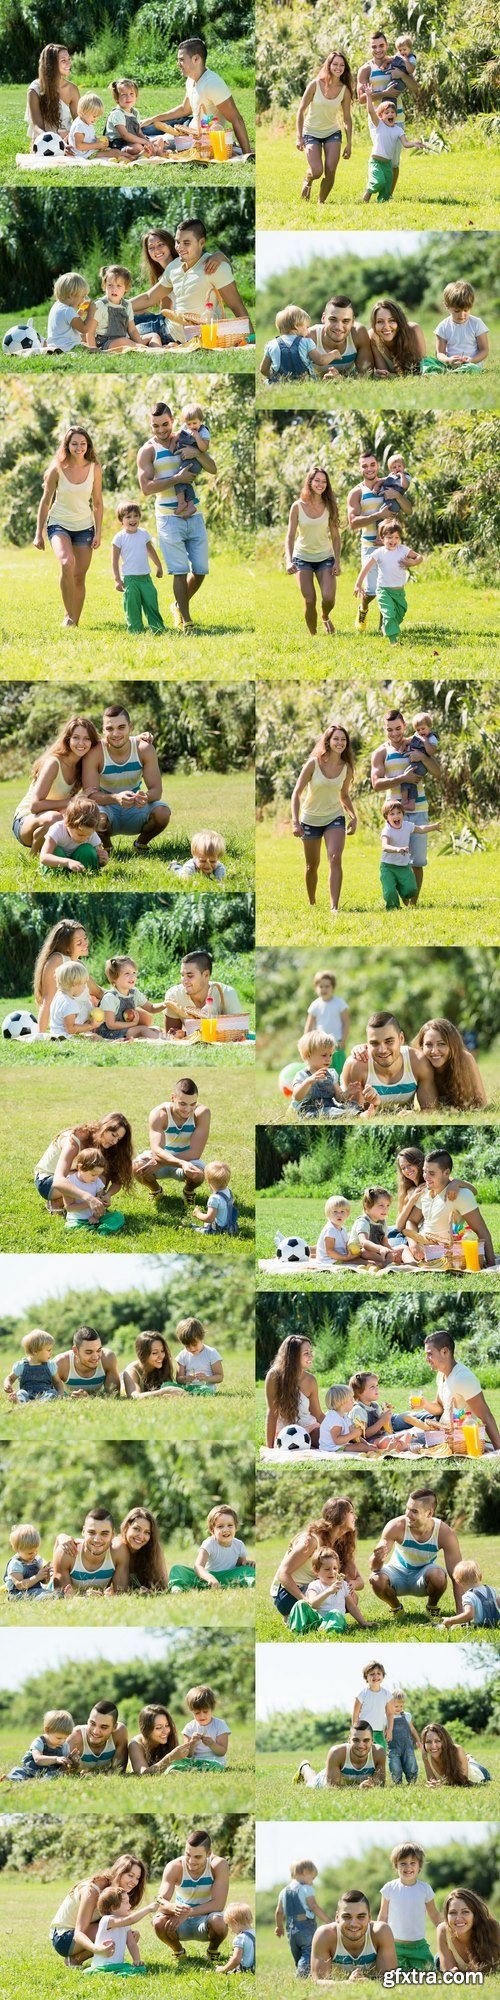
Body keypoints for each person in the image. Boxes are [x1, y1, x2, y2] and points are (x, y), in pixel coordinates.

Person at [137, 401, 216, 632]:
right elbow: (146, 488)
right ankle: (187, 620)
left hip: (194, 514)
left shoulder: (187, 437)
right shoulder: (148, 450)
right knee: (180, 571)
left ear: (172, 420)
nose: (161, 430)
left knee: (200, 570)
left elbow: (212, 468)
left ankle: (178, 606)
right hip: (168, 517)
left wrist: (195, 453)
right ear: (151, 426)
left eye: (164, 424)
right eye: (155, 426)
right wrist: (176, 479)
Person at [34, 426, 103, 629]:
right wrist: (39, 533)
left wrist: (98, 532)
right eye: (74, 443)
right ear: (67, 445)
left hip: (85, 526)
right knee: (66, 562)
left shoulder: (94, 468)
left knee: (79, 576)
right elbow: (45, 502)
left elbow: (98, 503)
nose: (79, 447)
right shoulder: (57, 469)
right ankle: (68, 616)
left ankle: (74, 620)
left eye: (83, 443)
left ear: (87, 445)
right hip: (59, 523)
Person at [371, 705, 440, 901]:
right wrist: (402, 778)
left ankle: (413, 904)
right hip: (394, 815)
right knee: (398, 861)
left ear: (404, 726)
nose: (394, 733)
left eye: (398, 728)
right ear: (385, 729)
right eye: (389, 729)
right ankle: (402, 898)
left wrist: (422, 758)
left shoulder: (418, 743)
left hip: (419, 808)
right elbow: (376, 784)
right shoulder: (380, 753)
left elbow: (437, 772)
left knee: (417, 861)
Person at [82, 702, 171, 851]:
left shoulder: (144, 748)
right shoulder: (94, 753)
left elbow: (157, 791)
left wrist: (145, 797)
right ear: (103, 730)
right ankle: (107, 848)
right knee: (93, 815)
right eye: (109, 729)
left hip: (136, 807)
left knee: (163, 812)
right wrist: (116, 798)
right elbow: (90, 795)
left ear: (131, 727)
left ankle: (140, 845)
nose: (115, 734)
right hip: (107, 809)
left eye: (121, 727)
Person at [291, 721, 357, 914]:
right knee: (312, 866)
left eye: (343, 739)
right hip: (310, 818)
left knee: (335, 858)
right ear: (328, 741)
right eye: (336, 738)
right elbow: (296, 793)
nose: (340, 742)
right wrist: (295, 821)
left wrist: (353, 816)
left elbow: (343, 796)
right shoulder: (313, 763)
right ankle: (312, 902)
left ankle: (334, 907)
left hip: (334, 817)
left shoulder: (347, 767)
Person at [369, 1485, 464, 1617]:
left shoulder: (445, 1533)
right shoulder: (395, 1526)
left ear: (429, 1513)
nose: (408, 1515)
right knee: (376, 1579)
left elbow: (458, 1576)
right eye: (407, 1509)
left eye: (414, 1511)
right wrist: (377, 1556)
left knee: (438, 1576)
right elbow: (374, 1568)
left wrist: (461, 1613)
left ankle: (431, 1606)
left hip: (423, 1576)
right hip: (397, 1573)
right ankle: (397, 1609)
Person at [13, 717, 100, 858]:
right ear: (68, 739)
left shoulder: (82, 767)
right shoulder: (54, 763)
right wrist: (73, 800)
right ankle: (34, 855)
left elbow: (109, 745)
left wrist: (137, 739)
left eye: (87, 739)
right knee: (56, 818)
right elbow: (34, 806)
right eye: (76, 737)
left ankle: (55, 849)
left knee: (81, 817)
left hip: (55, 818)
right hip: (26, 820)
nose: (81, 743)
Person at [348, 447, 412, 632]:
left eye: (373, 464)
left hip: (390, 547)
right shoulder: (356, 493)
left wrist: (398, 496)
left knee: (388, 587)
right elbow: (353, 523)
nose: (369, 469)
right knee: (371, 591)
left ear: (377, 465)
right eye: (365, 466)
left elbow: (409, 510)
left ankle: (384, 626)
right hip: (369, 546)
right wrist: (379, 514)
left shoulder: (390, 484)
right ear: (360, 468)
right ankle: (363, 608)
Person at [270, 1496, 363, 1624]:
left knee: (352, 1598)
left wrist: (351, 1584)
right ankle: (294, 1614)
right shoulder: (311, 1541)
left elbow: (357, 1579)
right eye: (352, 1512)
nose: (355, 1517)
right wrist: (306, 1601)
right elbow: (283, 1574)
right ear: (340, 1516)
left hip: (312, 1588)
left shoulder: (339, 1544)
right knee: (335, 1595)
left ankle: (311, 1618)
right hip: (287, 1595)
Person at [401, 1147, 495, 1268]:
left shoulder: (460, 1195)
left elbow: (482, 1231)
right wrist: (413, 1245)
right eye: (424, 1171)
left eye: (432, 1173)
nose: (425, 1176)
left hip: (445, 1253)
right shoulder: (424, 1191)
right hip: (420, 1248)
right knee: (395, 1248)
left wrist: (492, 1265)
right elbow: (412, 1220)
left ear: (446, 1173)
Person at [49, 1854, 148, 1967]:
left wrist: (128, 1934)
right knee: (119, 1930)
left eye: (137, 1878)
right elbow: (79, 1933)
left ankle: (75, 1959)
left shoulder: (116, 1893)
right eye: (130, 1875)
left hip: (80, 1934)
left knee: (125, 1931)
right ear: (118, 1872)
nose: (134, 1882)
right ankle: (75, 1959)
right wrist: (97, 1949)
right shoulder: (93, 1891)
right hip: (64, 1938)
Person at [162, 36, 252, 153]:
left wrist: (247, 154)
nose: (178, 64)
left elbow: (236, 119)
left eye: (182, 59)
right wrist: (153, 118)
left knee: (155, 141)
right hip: (188, 128)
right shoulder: (191, 80)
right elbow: (185, 109)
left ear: (196, 59)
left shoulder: (212, 83)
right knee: (148, 128)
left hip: (202, 140)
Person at [152, 1827, 229, 1961]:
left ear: (209, 1853)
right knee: (158, 1922)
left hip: (206, 1919)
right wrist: (171, 1907)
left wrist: (188, 1912)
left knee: (219, 1922)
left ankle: (212, 1951)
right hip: (180, 1921)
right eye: (188, 1854)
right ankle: (179, 1952)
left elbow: (218, 1904)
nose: (191, 1861)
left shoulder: (219, 1865)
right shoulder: (174, 1866)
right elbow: (160, 1900)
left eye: (197, 1857)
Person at [342, 1010, 438, 1111]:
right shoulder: (355, 1065)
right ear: (367, 1043)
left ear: (401, 1038)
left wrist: (415, 1116)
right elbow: (354, 1114)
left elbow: (430, 1110)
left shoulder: (418, 1062)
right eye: (374, 1043)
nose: (382, 1050)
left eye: (389, 1041)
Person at [420, 1330, 500, 1450]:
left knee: (405, 1437)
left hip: (457, 1439)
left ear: (445, 1351)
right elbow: (440, 1408)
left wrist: (498, 1450)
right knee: (405, 1428)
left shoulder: (463, 1378)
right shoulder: (441, 1375)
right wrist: (424, 1404)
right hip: (441, 1431)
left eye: (430, 1354)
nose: (427, 1359)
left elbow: (486, 1416)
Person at [133, 1079, 210, 1202]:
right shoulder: (159, 1113)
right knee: (137, 1168)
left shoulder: (202, 1113)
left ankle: (188, 1191)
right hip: (164, 1158)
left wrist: (165, 1162)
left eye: (192, 1104)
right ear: (173, 1098)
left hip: (184, 1160)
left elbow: (195, 1153)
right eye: (183, 1104)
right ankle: (156, 1190)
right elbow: (157, 1150)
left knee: (198, 1175)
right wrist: (173, 1162)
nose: (188, 1109)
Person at [285, 470, 341, 637]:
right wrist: (289, 560)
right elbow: (290, 535)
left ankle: (325, 616)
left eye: (324, 481)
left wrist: (337, 561)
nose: (320, 484)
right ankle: (314, 636)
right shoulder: (298, 506)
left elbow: (336, 537)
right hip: (302, 558)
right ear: (310, 482)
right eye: (317, 481)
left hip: (325, 557)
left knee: (329, 598)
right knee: (310, 600)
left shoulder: (330, 506)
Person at [355, 516, 424, 643]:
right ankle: (393, 640)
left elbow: (419, 557)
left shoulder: (403, 550)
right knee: (389, 614)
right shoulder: (379, 552)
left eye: (397, 537)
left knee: (401, 612)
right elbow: (365, 568)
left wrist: (412, 563)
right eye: (389, 537)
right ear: (382, 538)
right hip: (383, 590)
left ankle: (386, 627)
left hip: (399, 591)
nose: (393, 541)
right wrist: (358, 585)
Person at [296, 53, 353, 205]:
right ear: (329, 65)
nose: (338, 67)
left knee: (331, 169)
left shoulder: (344, 90)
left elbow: (347, 118)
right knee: (317, 171)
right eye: (335, 64)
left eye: (342, 65)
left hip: (332, 132)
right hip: (311, 132)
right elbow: (301, 110)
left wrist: (349, 143)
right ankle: (308, 179)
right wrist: (299, 136)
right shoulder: (315, 84)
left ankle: (321, 202)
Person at [379, 1843, 441, 1973]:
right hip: (395, 1945)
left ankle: (436, 1961)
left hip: (418, 1945)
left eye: (413, 1863)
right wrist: (378, 1937)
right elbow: (383, 1915)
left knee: (428, 1971)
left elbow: (434, 1914)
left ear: (419, 1866)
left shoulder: (425, 1889)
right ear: (396, 1866)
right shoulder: (389, 1888)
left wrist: (444, 1931)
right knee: (395, 1972)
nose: (408, 1867)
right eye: (403, 1863)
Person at [34, 917, 103, 1032]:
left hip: (90, 1022)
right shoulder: (58, 960)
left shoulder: (79, 965)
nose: (85, 943)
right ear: (66, 947)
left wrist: (119, 995)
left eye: (85, 938)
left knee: (140, 1015)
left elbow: (97, 992)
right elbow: (47, 1001)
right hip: (75, 1027)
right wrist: (40, 1035)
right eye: (79, 942)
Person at [169, 1502, 254, 1592]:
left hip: (229, 1576)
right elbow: (198, 1566)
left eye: (230, 1525)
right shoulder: (209, 1544)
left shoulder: (239, 1545)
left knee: (249, 1570)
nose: (226, 1529)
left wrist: (247, 1563)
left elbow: (240, 1564)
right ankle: (177, 1589)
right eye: (220, 1526)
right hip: (206, 1579)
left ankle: (252, 1584)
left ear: (235, 1527)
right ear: (212, 1530)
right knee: (177, 1569)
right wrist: (210, 1578)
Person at [311, 1891, 396, 1979]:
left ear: (369, 1918)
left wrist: (368, 1984)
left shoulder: (381, 1932)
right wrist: (347, 1984)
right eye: (347, 1917)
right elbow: (318, 1981)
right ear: (337, 1917)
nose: (353, 1924)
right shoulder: (324, 1935)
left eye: (361, 1916)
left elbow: (389, 1980)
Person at [112, 499, 165, 635]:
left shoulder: (143, 534)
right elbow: (115, 561)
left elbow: (151, 550)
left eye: (136, 515)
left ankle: (157, 628)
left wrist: (158, 566)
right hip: (130, 580)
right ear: (121, 520)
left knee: (151, 604)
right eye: (128, 517)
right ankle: (136, 630)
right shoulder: (119, 538)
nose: (133, 519)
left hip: (146, 579)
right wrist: (118, 580)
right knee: (132, 606)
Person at [362, 88, 422, 203]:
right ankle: (368, 192)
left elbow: (405, 143)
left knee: (386, 190)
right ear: (381, 116)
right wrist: (369, 96)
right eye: (387, 112)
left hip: (387, 164)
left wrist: (414, 143)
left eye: (393, 112)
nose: (390, 114)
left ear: (396, 115)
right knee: (378, 182)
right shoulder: (379, 125)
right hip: (376, 162)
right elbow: (370, 111)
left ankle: (382, 205)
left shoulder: (398, 130)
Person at [288, 1547, 369, 1633]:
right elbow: (313, 1604)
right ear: (316, 1570)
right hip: (318, 1621)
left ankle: (328, 1632)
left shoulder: (343, 1584)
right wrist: (329, 1591)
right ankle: (297, 1630)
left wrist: (363, 1622)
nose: (332, 1572)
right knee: (300, 1604)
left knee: (335, 1613)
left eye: (335, 1568)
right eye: (327, 1569)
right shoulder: (315, 1585)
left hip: (336, 1620)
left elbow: (352, 1606)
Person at [162, 948, 243, 1033]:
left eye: (190, 976)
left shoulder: (227, 993)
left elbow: (238, 1030)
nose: (184, 981)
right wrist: (178, 1034)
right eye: (182, 975)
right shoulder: (174, 995)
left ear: (206, 975)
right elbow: (171, 1034)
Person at [412, 1018, 487, 1109]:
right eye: (428, 1044)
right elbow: (428, 1111)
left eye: (441, 1044)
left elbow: (482, 1103)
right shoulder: (418, 1064)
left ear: (453, 1045)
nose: (434, 1051)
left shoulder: (465, 1059)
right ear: (421, 1046)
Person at [52, 1507, 129, 1595]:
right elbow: (61, 1597)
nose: (97, 1539)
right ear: (83, 1531)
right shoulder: (66, 1553)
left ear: (113, 1534)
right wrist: (85, 1596)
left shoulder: (118, 1551)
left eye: (104, 1533)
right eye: (91, 1532)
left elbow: (121, 1593)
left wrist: (106, 1597)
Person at [265, 1334, 323, 1447]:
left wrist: (341, 1427)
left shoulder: (311, 1380)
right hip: (285, 1432)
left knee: (328, 1442)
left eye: (311, 1352)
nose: (311, 1356)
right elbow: (272, 1413)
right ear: (293, 1356)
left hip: (309, 1428)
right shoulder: (274, 1376)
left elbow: (318, 1414)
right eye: (306, 1353)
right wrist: (269, 1447)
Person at [88, 265, 161, 353]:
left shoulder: (126, 305)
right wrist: (93, 348)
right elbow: (90, 331)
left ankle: (157, 351)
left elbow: (132, 329)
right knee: (123, 341)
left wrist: (139, 342)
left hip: (124, 340)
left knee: (154, 335)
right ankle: (148, 350)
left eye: (119, 286)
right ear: (104, 286)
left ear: (126, 288)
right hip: (105, 343)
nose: (114, 289)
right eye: (110, 285)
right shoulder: (100, 305)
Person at [87, 1884, 157, 1973]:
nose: (130, 1905)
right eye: (126, 1902)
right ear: (114, 1908)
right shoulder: (107, 1920)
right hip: (103, 1966)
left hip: (118, 1965)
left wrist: (137, 1960)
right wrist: (149, 1908)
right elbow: (130, 1920)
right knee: (131, 1972)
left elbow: (132, 1944)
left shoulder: (125, 1924)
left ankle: (121, 1973)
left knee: (140, 1969)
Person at [275, 1862, 327, 1979]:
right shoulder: (307, 1888)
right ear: (305, 1872)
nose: (313, 1882)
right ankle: (301, 1978)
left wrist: (279, 1927)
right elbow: (314, 1907)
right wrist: (328, 1920)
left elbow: (279, 1912)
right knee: (308, 1952)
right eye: (312, 1878)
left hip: (290, 1930)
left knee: (298, 1955)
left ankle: (302, 1973)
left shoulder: (283, 1891)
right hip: (305, 1927)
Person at [296, 1721, 384, 1788]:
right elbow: (332, 1788)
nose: (361, 1745)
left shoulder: (379, 1753)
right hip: (327, 1777)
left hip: (343, 1777)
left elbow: (380, 1784)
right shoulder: (336, 1753)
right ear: (349, 1740)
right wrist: (358, 1788)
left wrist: (372, 1785)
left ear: (372, 1741)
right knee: (311, 1781)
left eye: (366, 1740)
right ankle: (304, 1767)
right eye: (356, 1740)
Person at [26, 43, 79, 147]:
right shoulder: (35, 90)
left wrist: (71, 138)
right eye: (63, 60)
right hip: (43, 139)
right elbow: (37, 127)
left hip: (67, 138)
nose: (69, 63)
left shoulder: (72, 89)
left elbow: (79, 122)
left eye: (69, 59)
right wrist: (55, 141)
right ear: (51, 64)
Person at [40, 796, 108, 876]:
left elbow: (97, 859)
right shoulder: (57, 829)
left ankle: (86, 874)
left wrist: (103, 860)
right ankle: (57, 875)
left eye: (88, 836)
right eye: (80, 834)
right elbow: (44, 857)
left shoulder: (90, 833)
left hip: (78, 867)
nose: (85, 838)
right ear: (67, 823)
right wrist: (67, 862)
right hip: (58, 864)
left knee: (88, 850)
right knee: (56, 851)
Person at [437, 1890, 500, 1976]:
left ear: (475, 1915)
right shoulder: (443, 1930)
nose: (458, 1918)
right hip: (439, 1959)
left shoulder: (493, 1929)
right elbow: (449, 1972)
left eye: (465, 1912)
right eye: (453, 1912)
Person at [99, 955, 162, 1041]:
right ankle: (164, 1041)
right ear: (114, 978)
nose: (132, 977)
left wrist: (165, 1004)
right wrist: (133, 1024)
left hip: (126, 1029)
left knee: (156, 1029)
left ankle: (166, 1037)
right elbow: (111, 1024)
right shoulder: (110, 998)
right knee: (143, 1029)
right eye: (127, 973)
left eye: (134, 973)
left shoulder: (134, 993)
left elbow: (151, 1008)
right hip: (110, 1033)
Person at [290, 1031, 349, 1119]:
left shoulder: (331, 1074)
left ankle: (356, 1112)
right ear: (308, 1055)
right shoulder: (303, 1075)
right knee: (332, 1112)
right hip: (310, 1110)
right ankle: (355, 1114)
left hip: (330, 1106)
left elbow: (339, 1098)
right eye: (324, 1055)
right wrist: (308, 1082)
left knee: (352, 1105)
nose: (328, 1059)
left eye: (330, 1055)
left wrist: (349, 1092)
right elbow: (297, 1097)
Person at [260, 307, 325, 384]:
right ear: (296, 326)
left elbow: (263, 369)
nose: (308, 331)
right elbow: (320, 360)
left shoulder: (271, 345)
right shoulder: (307, 342)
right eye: (307, 327)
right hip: (305, 382)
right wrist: (333, 354)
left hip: (280, 383)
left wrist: (271, 376)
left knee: (268, 382)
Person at [55, 1324, 121, 1398]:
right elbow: (50, 1395)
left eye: (99, 1350)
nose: (95, 1357)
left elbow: (114, 1396)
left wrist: (88, 1398)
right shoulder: (60, 1363)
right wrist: (70, 1397)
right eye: (89, 1352)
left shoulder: (108, 1358)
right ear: (75, 1351)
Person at [8, 1709, 74, 1781]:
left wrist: (71, 1759)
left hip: (50, 1772)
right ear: (47, 1730)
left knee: (56, 1774)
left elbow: (65, 1765)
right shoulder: (39, 1741)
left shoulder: (64, 1745)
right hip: (31, 1769)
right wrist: (56, 1759)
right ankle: (16, 1780)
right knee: (18, 1771)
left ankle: (44, 1781)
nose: (62, 1741)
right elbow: (38, 1759)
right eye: (59, 1738)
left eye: (66, 1738)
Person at [435, 281, 488, 369]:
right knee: (427, 362)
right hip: (450, 364)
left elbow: (484, 350)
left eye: (466, 310)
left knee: (470, 368)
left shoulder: (477, 323)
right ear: (446, 305)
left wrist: (472, 360)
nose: (462, 315)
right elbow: (440, 353)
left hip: (472, 364)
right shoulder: (443, 326)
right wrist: (448, 360)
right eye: (457, 311)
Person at [4, 1328, 65, 1403]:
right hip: (27, 1394)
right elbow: (10, 1378)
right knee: (21, 1393)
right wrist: (7, 1384)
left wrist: (60, 1395)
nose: (51, 1352)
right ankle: (19, 1401)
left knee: (52, 1393)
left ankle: (42, 1402)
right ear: (35, 1351)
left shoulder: (50, 1365)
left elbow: (57, 1382)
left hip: (45, 1394)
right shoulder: (22, 1365)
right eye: (48, 1350)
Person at [421, 1721, 490, 1787]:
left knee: (471, 1763)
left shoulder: (457, 1749)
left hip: (479, 1772)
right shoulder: (426, 1755)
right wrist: (433, 1784)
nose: (433, 1746)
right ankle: (467, 1758)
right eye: (428, 1742)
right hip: (466, 1764)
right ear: (424, 1743)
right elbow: (431, 1780)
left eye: (437, 1741)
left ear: (444, 1741)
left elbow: (463, 1782)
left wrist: (442, 1786)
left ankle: (469, 1758)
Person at [67, 1701, 128, 1774]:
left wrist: (93, 1775)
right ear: (88, 1720)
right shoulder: (76, 1736)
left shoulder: (119, 1732)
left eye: (103, 1727)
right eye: (92, 1723)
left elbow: (119, 1770)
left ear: (114, 1727)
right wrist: (72, 1768)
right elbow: (62, 1772)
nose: (95, 1731)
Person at [349, 1371, 414, 1440]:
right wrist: (382, 1419)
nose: (377, 1388)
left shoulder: (375, 1406)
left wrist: (387, 1415)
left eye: (377, 1385)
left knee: (408, 1434)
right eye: (372, 1387)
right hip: (367, 1443)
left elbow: (384, 1428)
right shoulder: (358, 1409)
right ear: (359, 1392)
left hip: (379, 1437)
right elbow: (365, 1435)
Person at [304, 971, 349, 1069]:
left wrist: (344, 1041)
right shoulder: (315, 1005)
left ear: (333, 987)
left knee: (339, 1069)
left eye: (327, 986)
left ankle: (339, 1084)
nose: (324, 989)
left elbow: (346, 1023)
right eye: (321, 986)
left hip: (337, 1043)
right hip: (320, 1045)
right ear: (316, 988)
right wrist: (307, 1043)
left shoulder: (339, 1003)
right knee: (322, 1070)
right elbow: (309, 1026)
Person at [379, 800, 418, 910]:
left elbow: (420, 829)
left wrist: (433, 827)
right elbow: (385, 846)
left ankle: (401, 891)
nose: (396, 816)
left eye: (399, 812)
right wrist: (397, 849)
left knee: (411, 890)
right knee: (390, 891)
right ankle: (393, 908)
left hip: (404, 866)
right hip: (388, 867)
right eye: (392, 814)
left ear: (403, 814)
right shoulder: (387, 830)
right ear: (387, 817)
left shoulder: (407, 826)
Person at [369, 299, 426, 375]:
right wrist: (382, 374)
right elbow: (384, 373)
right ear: (374, 324)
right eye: (380, 321)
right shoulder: (373, 337)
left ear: (399, 321)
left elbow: (423, 365)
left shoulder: (414, 330)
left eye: (391, 320)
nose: (386, 327)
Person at [441, 1558, 500, 1629]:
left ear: (458, 1582)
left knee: (456, 1627)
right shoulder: (491, 1590)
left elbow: (469, 1615)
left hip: (478, 1626)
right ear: (480, 1576)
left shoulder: (468, 1596)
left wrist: (450, 1620)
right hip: (495, 1623)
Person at [122, 1332, 183, 1399]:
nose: (161, 1356)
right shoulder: (131, 1371)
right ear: (143, 1354)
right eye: (155, 1353)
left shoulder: (162, 1365)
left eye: (162, 1351)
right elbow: (134, 1396)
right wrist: (164, 1391)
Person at [46, 273, 95, 354]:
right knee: (95, 350)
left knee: (84, 341)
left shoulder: (57, 306)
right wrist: (91, 312)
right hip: (68, 347)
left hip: (55, 346)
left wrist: (80, 312)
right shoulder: (68, 310)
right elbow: (84, 329)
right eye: (82, 296)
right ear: (71, 294)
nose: (83, 300)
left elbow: (71, 323)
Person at [318, 1386, 372, 1455]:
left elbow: (353, 1433)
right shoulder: (334, 1418)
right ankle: (375, 1451)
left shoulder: (344, 1416)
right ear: (341, 1402)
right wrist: (353, 1434)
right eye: (351, 1399)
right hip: (331, 1448)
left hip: (339, 1446)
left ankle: (371, 1449)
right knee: (359, 1447)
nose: (353, 1401)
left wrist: (367, 1444)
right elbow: (337, 1440)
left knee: (361, 1445)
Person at [352, 1659, 394, 1746]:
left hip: (379, 1732)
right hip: (364, 1731)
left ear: (383, 1676)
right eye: (372, 1674)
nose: (375, 1676)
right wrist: (354, 1732)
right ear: (366, 1677)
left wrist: (389, 1730)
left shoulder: (386, 1694)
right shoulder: (362, 1694)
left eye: (379, 1673)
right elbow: (355, 1714)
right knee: (364, 1756)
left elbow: (390, 1713)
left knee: (380, 1755)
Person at [129, 1705, 180, 1774]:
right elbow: (143, 1774)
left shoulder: (170, 1738)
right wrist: (170, 1758)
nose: (165, 1731)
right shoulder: (136, 1744)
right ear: (146, 1729)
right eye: (158, 1727)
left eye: (167, 1725)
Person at [4, 1521, 50, 1598]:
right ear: (17, 1549)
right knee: (42, 1595)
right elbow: (19, 1585)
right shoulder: (15, 1564)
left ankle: (61, 1593)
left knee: (44, 1592)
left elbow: (43, 1581)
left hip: (36, 1590)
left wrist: (46, 1575)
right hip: (19, 1594)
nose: (35, 1554)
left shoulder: (36, 1559)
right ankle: (57, 1595)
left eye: (36, 1551)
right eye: (30, 1553)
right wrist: (37, 1577)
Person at [175, 1317, 223, 1389]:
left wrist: (206, 1378)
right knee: (168, 1385)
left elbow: (220, 1377)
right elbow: (179, 1379)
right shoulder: (182, 1355)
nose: (192, 1349)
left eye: (194, 1344)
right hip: (188, 1387)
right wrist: (185, 1379)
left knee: (203, 1390)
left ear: (202, 1338)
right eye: (187, 1346)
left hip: (206, 1387)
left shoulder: (211, 1353)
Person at [192, 1162, 239, 1235]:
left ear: (209, 1181)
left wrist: (197, 1214)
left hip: (218, 1230)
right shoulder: (228, 1191)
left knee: (192, 1227)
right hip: (230, 1226)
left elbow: (209, 1219)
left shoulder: (214, 1199)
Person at [386, 1690, 421, 1784]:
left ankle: (412, 1781)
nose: (399, 1708)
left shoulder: (407, 1715)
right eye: (396, 1706)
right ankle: (398, 1783)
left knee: (411, 1764)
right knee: (395, 1766)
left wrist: (418, 1741)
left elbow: (412, 1729)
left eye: (401, 1706)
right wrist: (384, 1745)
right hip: (393, 1748)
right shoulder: (387, 1718)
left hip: (407, 1747)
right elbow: (383, 1732)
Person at [68, 92, 110, 158]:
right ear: (84, 111)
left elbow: (88, 137)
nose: (96, 119)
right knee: (114, 152)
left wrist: (97, 140)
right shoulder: (80, 126)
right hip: (84, 155)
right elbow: (79, 146)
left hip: (89, 151)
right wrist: (97, 145)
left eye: (98, 116)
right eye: (94, 116)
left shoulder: (86, 122)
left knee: (113, 151)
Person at [315, 1197, 355, 1267]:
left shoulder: (343, 1229)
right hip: (329, 1260)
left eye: (342, 1211)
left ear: (347, 1214)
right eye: (335, 1211)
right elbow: (330, 1251)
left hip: (340, 1257)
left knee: (361, 1256)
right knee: (362, 1262)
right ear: (328, 1214)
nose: (339, 1214)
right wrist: (346, 1258)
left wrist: (351, 1252)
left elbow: (346, 1246)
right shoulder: (330, 1230)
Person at [221, 1904, 255, 1974]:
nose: (231, 1930)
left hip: (245, 1970)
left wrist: (223, 1969)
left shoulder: (240, 1938)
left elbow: (236, 1960)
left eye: (230, 1925)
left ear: (234, 1922)